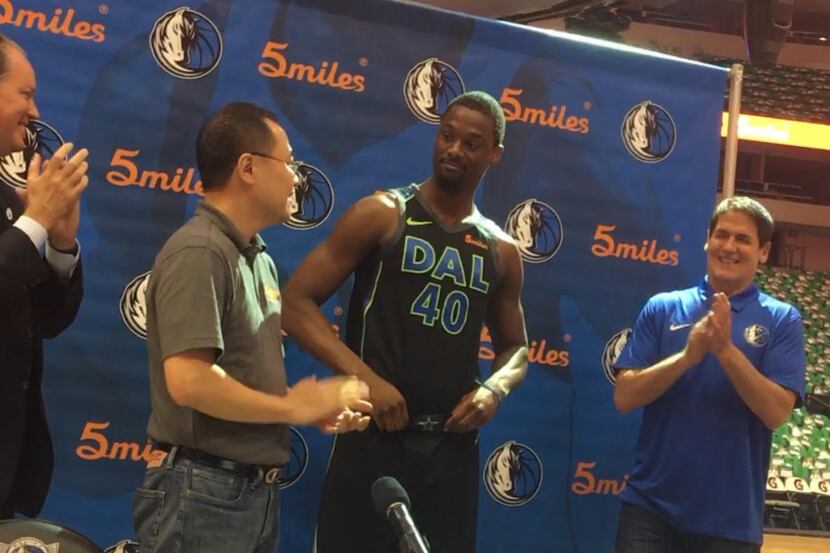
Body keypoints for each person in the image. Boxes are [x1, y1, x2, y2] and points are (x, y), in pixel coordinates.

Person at [282, 91, 529, 553]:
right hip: (373, 441)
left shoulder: (502, 250)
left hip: (450, 451)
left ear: (494, 154)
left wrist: (493, 390)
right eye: (447, 135)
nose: (454, 149)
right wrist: (366, 379)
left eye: (472, 143)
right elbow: (295, 303)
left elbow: (517, 349)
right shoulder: (383, 214)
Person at [132, 102, 371, 553]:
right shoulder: (199, 251)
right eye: (290, 162)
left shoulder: (255, 257)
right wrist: (292, 408)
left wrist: (306, 407)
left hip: (246, 493)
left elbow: (237, 379)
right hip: (202, 492)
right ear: (248, 167)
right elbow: (189, 381)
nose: (298, 178)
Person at [613, 196, 806, 553]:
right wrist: (688, 356)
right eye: (722, 235)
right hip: (650, 512)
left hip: (730, 523)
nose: (729, 246)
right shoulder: (663, 307)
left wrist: (725, 350)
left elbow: (777, 412)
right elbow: (625, 397)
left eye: (743, 239)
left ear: (763, 251)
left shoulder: (783, 319)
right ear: (707, 239)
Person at [0, 33, 88, 519]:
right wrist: (35, 221)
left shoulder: (11, 199)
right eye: (25, 93)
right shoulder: (24, 210)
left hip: (13, 470)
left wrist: (58, 242)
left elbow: (47, 321)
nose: (35, 112)